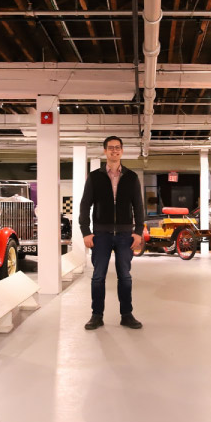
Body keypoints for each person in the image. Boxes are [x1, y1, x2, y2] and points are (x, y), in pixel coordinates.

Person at [79, 136, 144, 330]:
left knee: (125, 276)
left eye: (117, 148)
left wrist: (138, 231)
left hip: (125, 235)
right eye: (110, 148)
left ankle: (127, 314)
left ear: (122, 151)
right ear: (105, 151)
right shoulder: (95, 176)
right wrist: (86, 231)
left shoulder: (131, 177)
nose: (114, 151)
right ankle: (96, 316)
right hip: (101, 234)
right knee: (98, 276)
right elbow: (85, 205)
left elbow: (138, 206)